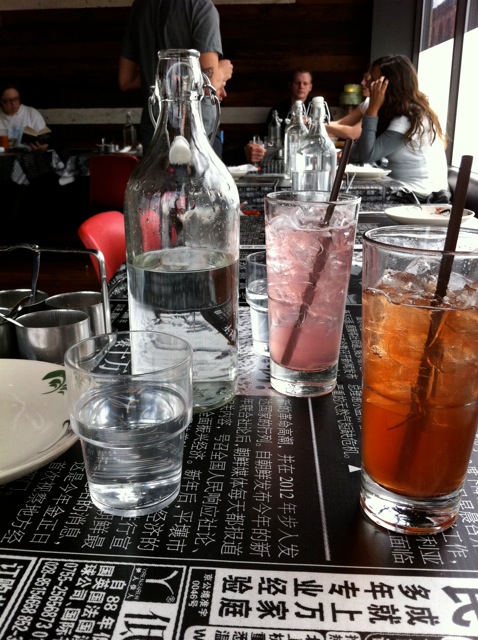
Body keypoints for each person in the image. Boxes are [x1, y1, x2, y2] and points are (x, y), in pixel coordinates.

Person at [118, 0, 233, 153]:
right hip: (197, 137)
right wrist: (222, 71)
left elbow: (126, 80)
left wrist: (162, 76)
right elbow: (208, 85)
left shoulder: (140, 7)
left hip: (153, 131)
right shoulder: (201, 7)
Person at [348, 54, 450, 202]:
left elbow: (367, 155)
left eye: (373, 81)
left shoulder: (409, 117)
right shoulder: (394, 112)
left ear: (389, 85)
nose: (368, 84)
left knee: (350, 200)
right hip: (402, 188)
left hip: (422, 195)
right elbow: (356, 154)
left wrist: (372, 110)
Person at [0, 82, 49, 151]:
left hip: (29, 154)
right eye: (8, 101)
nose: (13, 104)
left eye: (16, 99)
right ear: (1, 102)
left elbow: (44, 141)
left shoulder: (31, 113)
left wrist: (42, 146)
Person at [325, 69, 371, 141]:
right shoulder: (367, 102)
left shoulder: (374, 104)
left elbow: (353, 133)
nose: (362, 82)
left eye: (367, 79)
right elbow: (341, 123)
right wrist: (316, 124)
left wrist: (320, 126)